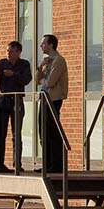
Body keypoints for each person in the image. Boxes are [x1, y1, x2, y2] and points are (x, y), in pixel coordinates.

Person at [0, 40, 32, 173]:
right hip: (4, 100)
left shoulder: (24, 64)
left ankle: (17, 163)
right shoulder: (1, 64)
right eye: (7, 51)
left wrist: (14, 74)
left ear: (18, 52)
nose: (8, 53)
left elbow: (27, 79)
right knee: (1, 133)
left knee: (17, 134)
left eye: (11, 51)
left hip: (17, 100)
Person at [37, 33, 69, 175]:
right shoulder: (48, 61)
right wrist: (40, 68)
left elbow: (50, 82)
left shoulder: (58, 61)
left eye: (44, 43)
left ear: (51, 45)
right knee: (43, 131)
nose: (41, 46)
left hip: (53, 99)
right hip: (44, 97)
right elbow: (38, 80)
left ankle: (56, 164)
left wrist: (43, 78)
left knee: (52, 131)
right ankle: (47, 163)